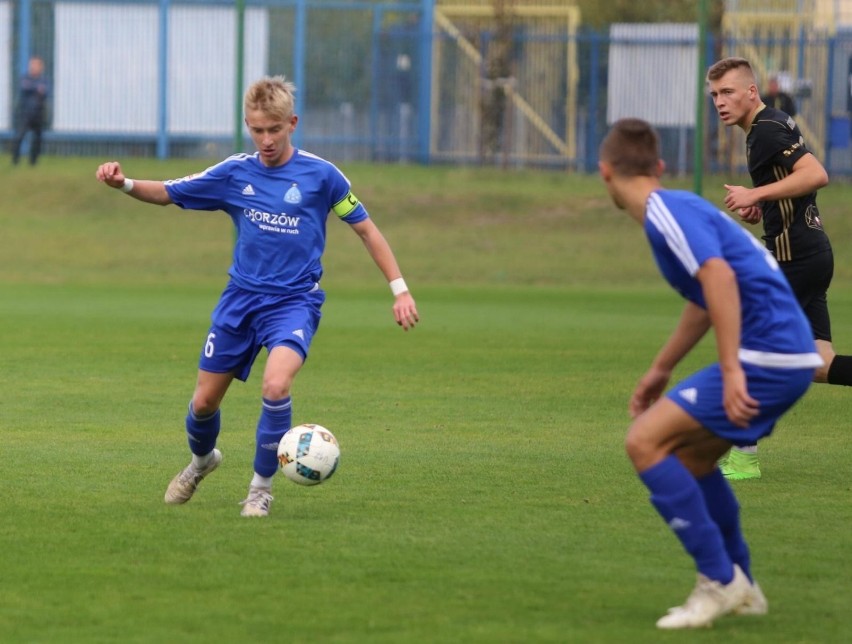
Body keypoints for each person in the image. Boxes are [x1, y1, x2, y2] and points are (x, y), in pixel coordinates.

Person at [95, 76, 419, 518]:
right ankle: (201, 462)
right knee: (204, 404)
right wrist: (124, 184)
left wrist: (398, 289)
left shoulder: (322, 177)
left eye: (273, 129)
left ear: (292, 124)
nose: (264, 140)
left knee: (276, 383)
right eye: (256, 129)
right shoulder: (235, 173)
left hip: (293, 304)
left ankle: (260, 488)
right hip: (240, 301)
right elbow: (170, 192)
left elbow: (365, 228)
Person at [598, 118, 821, 629]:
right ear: (659, 165)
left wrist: (732, 370)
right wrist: (662, 368)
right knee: (693, 459)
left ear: (604, 171)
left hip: (767, 353)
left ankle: (717, 582)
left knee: (644, 443)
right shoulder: (681, 207)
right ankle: (743, 587)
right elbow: (708, 295)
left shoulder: (663, 213)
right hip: (787, 351)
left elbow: (717, 278)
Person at [707, 56, 852, 480]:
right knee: (819, 364)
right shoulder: (766, 125)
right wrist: (763, 202)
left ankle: (744, 457)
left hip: (796, 259)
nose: (720, 101)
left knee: (745, 348)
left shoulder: (766, 130)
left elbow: (816, 174)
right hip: (810, 254)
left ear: (752, 92)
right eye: (714, 94)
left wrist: (757, 193)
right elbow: (791, 188)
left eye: (728, 92)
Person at [11, 56, 49, 166]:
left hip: (38, 114)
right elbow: (24, 87)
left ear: (41, 67)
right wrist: (37, 88)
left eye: (36, 65)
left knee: (37, 139)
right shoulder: (25, 78)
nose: (34, 67)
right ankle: (15, 161)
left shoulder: (44, 80)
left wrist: (33, 87)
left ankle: (33, 162)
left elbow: (46, 91)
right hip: (25, 114)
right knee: (19, 137)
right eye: (32, 65)